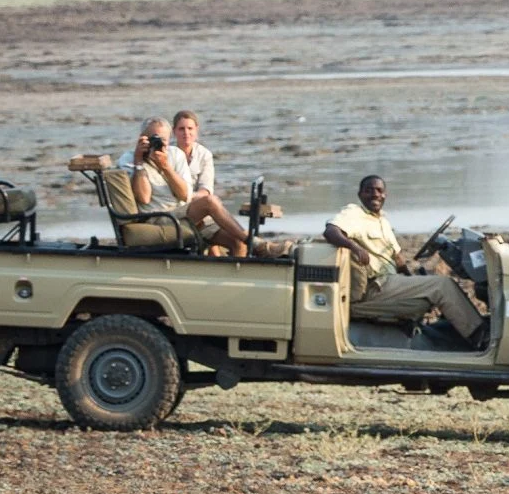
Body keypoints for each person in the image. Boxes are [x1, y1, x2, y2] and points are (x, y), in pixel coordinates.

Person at [324, 175, 487, 349]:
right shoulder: (354, 213)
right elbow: (330, 231)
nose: (375, 194)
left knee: (435, 284)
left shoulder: (381, 221)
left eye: (379, 190)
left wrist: (412, 277)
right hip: (376, 287)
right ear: (360, 194)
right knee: (443, 285)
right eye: (369, 190)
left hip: (389, 282)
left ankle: (460, 335)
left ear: (385, 195)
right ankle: (482, 338)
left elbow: (398, 258)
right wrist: (355, 248)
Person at [118, 117, 291, 258]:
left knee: (237, 242)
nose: (157, 144)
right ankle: (258, 244)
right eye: (153, 138)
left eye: (162, 140)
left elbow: (184, 195)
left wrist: (165, 167)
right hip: (158, 218)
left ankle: (233, 286)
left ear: (169, 139)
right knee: (209, 202)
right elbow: (144, 198)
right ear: (142, 137)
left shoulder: (175, 154)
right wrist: (139, 162)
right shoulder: (129, 159)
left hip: (182, 212)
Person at [172, 110, 215, 199]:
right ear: (174, 131)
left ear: (196, 130)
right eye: (181, 129)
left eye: (190, 128)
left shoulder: (204, 155)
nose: (186, 133)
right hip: (173, 201)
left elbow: (206, 189)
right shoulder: (167, 153)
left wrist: (187, 196)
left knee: (212, 200)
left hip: (195, 201)